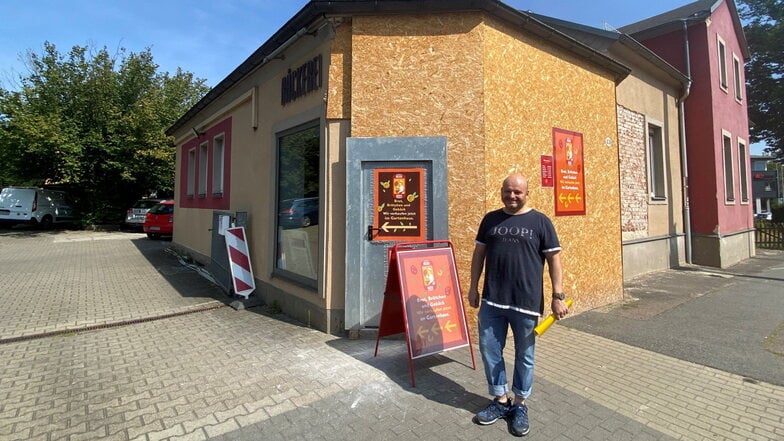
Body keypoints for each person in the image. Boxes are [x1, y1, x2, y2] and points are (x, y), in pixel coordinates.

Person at [467, 173, 568, 437]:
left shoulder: (540, 222)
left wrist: (558, 297)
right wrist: (473, 286)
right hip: (492, 299)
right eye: (508, 191)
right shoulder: (490, 219)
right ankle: (500, 400)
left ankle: (520, 404)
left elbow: (555, 259)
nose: (512, 196)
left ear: (527, 194)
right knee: (490, 349)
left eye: (517, 192)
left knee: (524, 355)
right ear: (501, 191)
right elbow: (479, 254)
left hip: (526, 302)